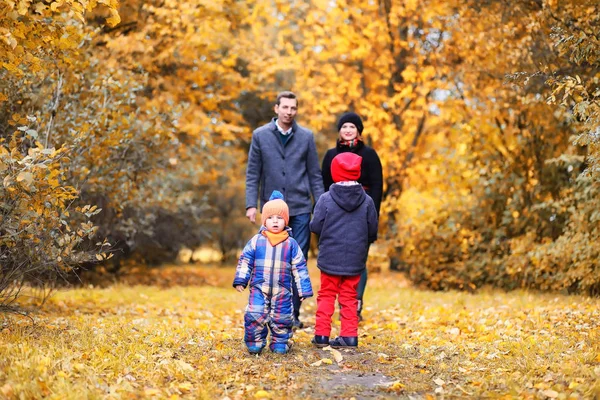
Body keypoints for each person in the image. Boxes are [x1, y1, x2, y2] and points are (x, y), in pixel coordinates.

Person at [245, 91, 324, 329]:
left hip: (300, 208)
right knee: (269, 262)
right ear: (276, 108)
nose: (289, 111)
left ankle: (292, 315)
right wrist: (251, 204)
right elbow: (253, 173)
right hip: (272, 211)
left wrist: (320, 206)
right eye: (285, 107)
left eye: (293, 108)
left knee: (296, 261)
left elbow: (314, 175)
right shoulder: (260, 136)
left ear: (296, 110)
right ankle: (267, 311)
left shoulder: (306, 137)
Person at [310, 153, 378, 348]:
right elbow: (372, 228)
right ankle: (349, 336)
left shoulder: (325, 199)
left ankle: (321, 334)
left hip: (330, 256)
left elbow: (315, 226)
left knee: (326, 294)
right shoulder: (367, 201)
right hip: (355, 258)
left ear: (334, 172)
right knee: (349, 296)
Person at [234, 191, 313, 354]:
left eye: (279, 218)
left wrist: (303, 289)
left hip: (282, 289)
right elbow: (245, 260)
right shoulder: (256, 241)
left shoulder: (291, 244)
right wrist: (241, 279)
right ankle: (255, 341)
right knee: (255, 314)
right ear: (264, 221)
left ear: (286, 220)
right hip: (259, 287)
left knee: (282, 317)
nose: (275, 221)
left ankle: (279, 343)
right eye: (270, 218)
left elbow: (299, 266)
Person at [321, 112, 383, 321]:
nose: (348, 130)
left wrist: (370, 215)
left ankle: (355, 304)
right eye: (344, 126)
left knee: (359, 261)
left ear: (359, 131)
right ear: (339, 130)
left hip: (362, 212)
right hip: (336, 216)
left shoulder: (370, 155)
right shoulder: (330, 155)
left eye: (352, 127)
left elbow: (377, 186)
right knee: (333, 262)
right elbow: (324, 187)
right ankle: (336, 303)